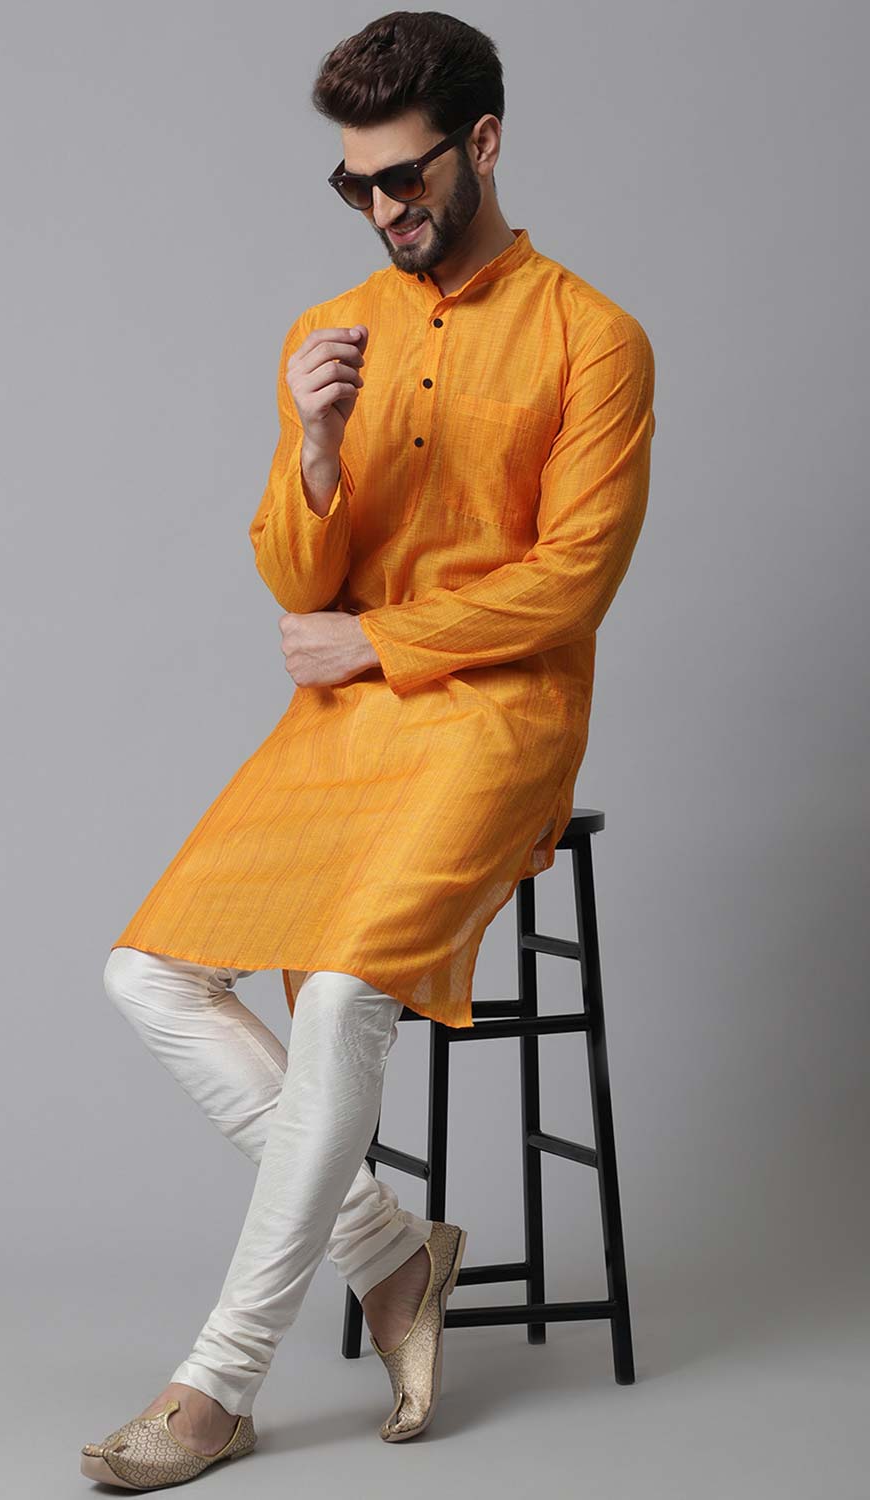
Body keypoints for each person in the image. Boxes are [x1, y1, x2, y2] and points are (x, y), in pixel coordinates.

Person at [82, 10, 655, 1489]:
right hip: (346, 726)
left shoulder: (594, 339)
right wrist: (317, 449)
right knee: (147, 973)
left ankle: (217, 1386)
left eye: (405, 176)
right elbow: (295, 580)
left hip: (501, 718)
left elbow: (572, 582)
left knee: (342, 991)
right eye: (355, 184)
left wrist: (379, 642)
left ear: (483, 143)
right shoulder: (328, 332)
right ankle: (392, 1251)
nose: (382, 207)